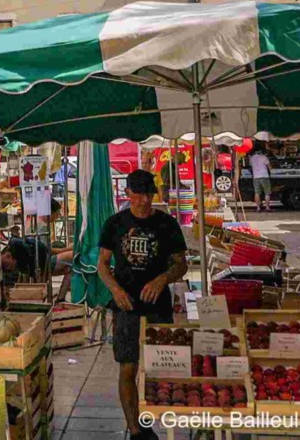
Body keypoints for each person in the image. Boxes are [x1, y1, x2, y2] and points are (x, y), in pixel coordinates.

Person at [98, 169, 187, 440]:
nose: (145, 200)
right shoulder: (115, 224)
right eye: (139, 194)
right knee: (128, 367)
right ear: (128, 193)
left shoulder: (167, 224)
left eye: (149, 194)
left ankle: (153, 420)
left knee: (159, 366)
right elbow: (102, 264)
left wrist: (162, 279)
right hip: (126, 307)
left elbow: (181, 264)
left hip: (158, 306)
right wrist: (115, 290)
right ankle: (136, 430)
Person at [249, 144, 272, 212]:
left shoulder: (251, 158)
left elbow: (251, 166)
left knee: (257, 193)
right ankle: (267, 207)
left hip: (256, 177)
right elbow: (270, 167)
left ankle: (258, 208)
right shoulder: (264, 157)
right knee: (267, 192)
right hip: (264, 176)